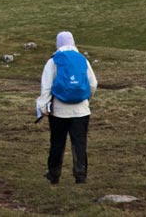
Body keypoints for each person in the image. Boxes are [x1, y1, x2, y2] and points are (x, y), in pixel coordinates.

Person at [36, 31, 98, 184]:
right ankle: (80, 175)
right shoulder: (82, 59)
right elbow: (93, 83)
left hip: (59, 111)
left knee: (57, 142)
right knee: (79, 143)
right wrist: (86, 98)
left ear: (58, 43)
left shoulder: (53, 61)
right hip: (81, 110)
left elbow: (46, 87)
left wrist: (42, 108)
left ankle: (54, 174)